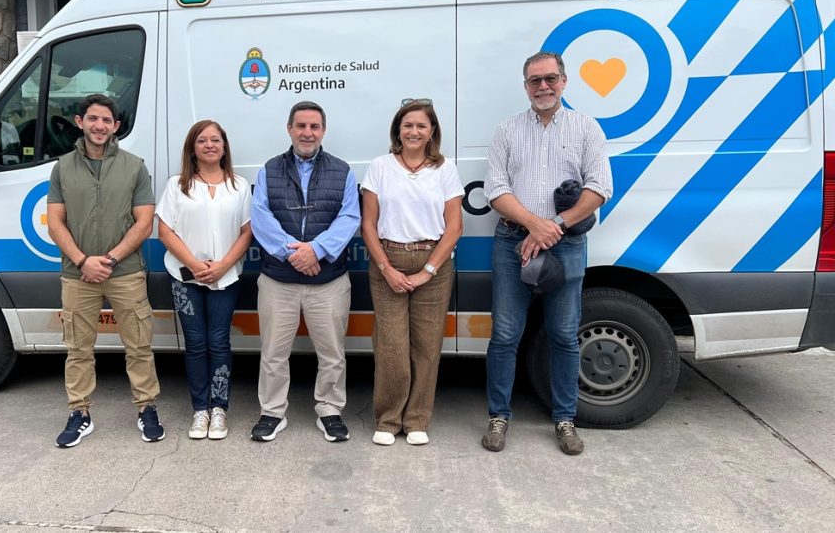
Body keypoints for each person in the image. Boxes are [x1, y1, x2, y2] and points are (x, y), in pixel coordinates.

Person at [481, 52, 612, 456]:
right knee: (505, 335)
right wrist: (534, 225)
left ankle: (565, 419)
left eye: (550, 78)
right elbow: (495, 190)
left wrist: (552, 225)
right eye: (534, 80)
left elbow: (599, 188)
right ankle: (498, 416)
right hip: (512, 242)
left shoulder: (586, 128)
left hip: (566, 243)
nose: (543, 86)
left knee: (564, 335)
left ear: (564, 81)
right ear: (525, 86)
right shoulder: (507, 130)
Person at [47, 93, 165, 448]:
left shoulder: (134, 166)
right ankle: (79, 413)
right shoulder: (62, 167)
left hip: (125, 271)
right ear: (80, 122)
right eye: (93, 119)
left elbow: (144, 222)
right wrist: (84, 261)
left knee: (139, 345)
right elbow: (55, 222)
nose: (99, 126)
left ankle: (147, 408)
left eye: (106, 121)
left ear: (116, 127)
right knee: (78, 349)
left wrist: (110, 259)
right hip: (78, 274)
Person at [249, 100, 361, 443]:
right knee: (273, 354)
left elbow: (349, 217)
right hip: (278, 279)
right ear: (289, 129)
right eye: (301, 126)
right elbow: (260, 216)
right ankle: (272, 412)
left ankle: (330, 409)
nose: (307, 133)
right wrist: (293, 252)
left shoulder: (343, 171)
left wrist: (317, 250)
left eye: (314, 126)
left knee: (332, 354)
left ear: (323, 131)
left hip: (328, 280)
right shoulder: (268, 170)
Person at [361, 100, 464, 446]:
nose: (414, 131)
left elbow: (454, 227)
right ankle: (388, 419)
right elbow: (368, 225)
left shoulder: (445, 169)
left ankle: (417, 419)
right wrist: (386, 268)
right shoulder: (380, 166)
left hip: (433, 262)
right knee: (391, 346)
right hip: (388, 259)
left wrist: (428, 271)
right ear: (398, 130)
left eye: (421, 125)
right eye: (407, 125)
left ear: (432, 131)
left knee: (427, 346)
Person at [157, 120, 252, 440]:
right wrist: (195, 265)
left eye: (215, 140)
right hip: (185, 277)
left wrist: (223, 265)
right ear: (192, 148)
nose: (209, 145)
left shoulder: (239, 185)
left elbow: (247, 232)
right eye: (202, 140)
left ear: (224, 147)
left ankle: (219, 408)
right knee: (196, 344)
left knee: (219, 341)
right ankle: (200, 409)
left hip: (226, 277)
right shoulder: (177, 185)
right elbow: (165, 231)